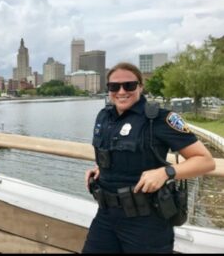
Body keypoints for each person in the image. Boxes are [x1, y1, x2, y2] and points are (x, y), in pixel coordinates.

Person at [82, 62, 215, 253]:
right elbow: (111, 153)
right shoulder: (104, 117)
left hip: (146, 222)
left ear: (140, 86)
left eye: (129, 85)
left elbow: (205, 161)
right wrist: (100, 169)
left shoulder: (160, 119)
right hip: (106, 216)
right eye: (114, 86)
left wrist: (166, 172)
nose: (121, 91)